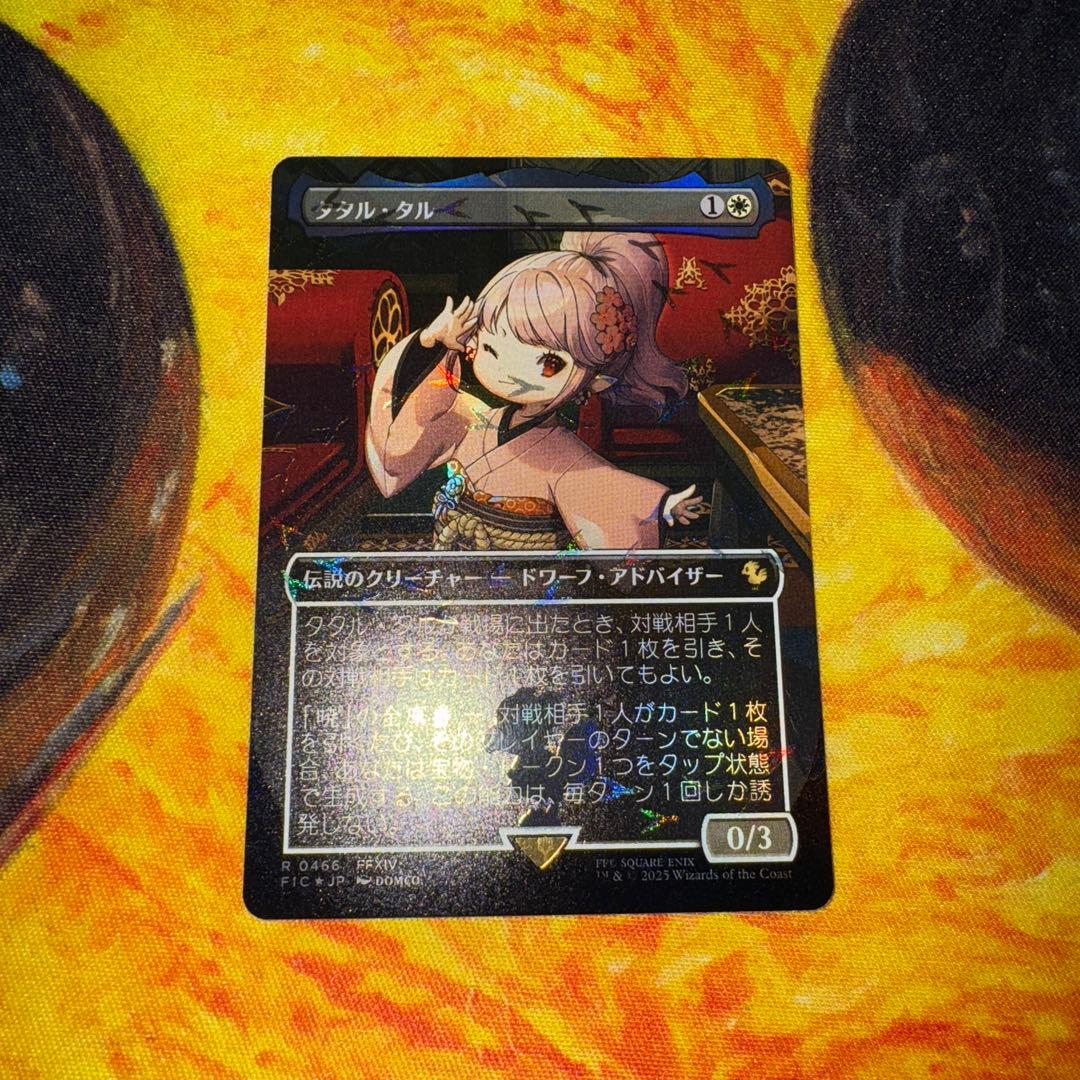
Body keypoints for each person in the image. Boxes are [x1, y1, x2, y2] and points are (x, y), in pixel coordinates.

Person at [366, 231, 706, 551]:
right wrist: (429, 344)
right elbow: (412, 432)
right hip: (457, 547)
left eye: (549, 363)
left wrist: (660, 506)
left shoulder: (563, 452)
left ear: (595, 377)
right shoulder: (472, 416)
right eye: (491, 349)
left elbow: (602, 485)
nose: (509, 372)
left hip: (523, 564)